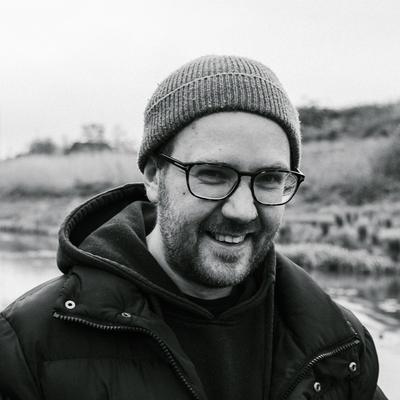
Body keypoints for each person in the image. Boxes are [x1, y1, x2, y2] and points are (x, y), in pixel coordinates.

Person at [0, 55, 387, 400]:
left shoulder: (340, 345)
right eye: (213, 174)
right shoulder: (27, 344)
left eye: (269, 179)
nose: (243, 210)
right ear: (154, 177)